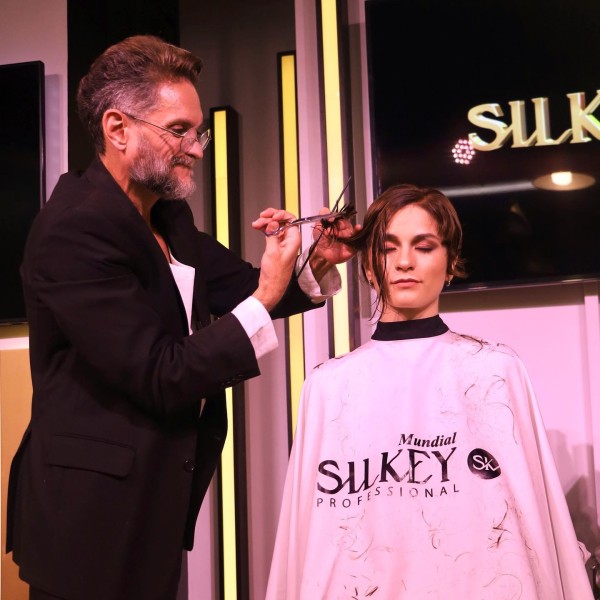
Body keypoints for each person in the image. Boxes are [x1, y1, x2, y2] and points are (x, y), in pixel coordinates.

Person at [5, 35, 357, 600]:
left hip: (153, 503)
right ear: (118, 128)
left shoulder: (170, 217)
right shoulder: (73, 230)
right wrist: (267, 294)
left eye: (199, 132)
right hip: (88, 522)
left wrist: (313, 259)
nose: (196, 148)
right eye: (179, 130)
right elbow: (160, 373)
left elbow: (242, 288)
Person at [266, 184, 593, 599]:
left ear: (451, 262)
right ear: (368, 266)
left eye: (423, 247)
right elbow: (307, 539)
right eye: (387, 249)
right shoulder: (328, 387)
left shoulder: (495, 371)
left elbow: (537, 526)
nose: (405, 262)